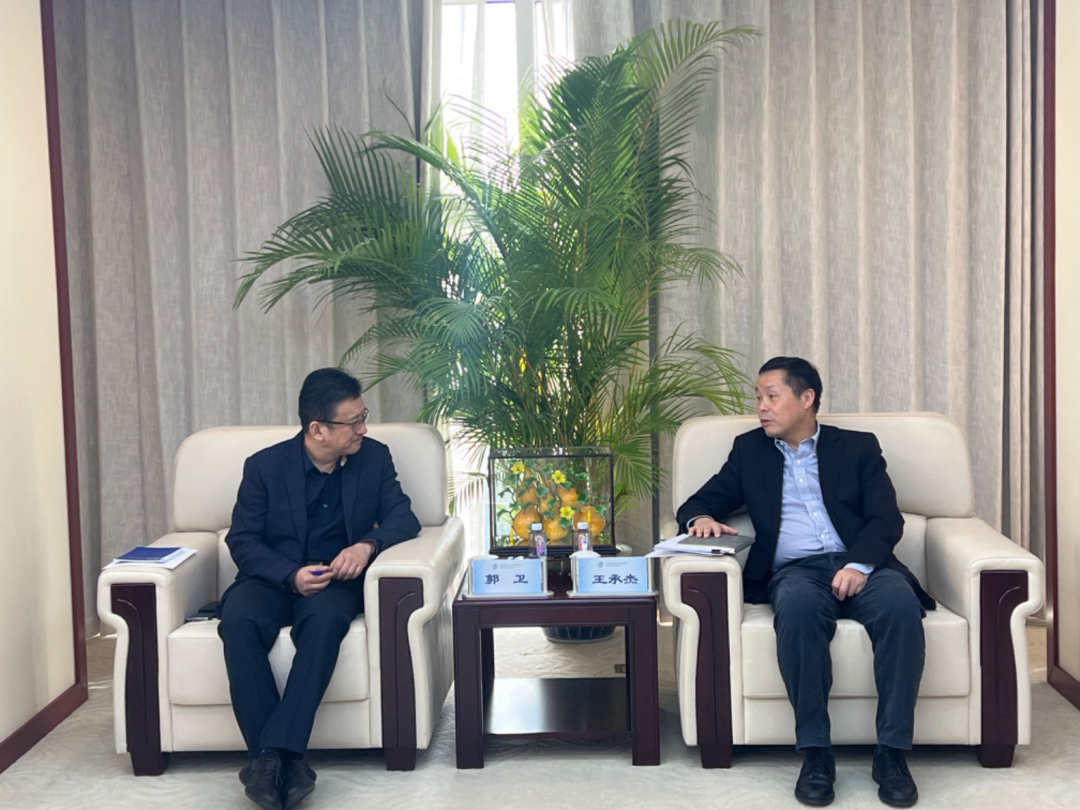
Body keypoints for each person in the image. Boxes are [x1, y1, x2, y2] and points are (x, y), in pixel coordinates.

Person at [677, 357, 933, 808]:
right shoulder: (749, 451)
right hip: (796, 571)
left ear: (807, 398)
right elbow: (699, 502)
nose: (761, 407)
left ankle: (891, 753)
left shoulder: (857, 448)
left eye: (772, 396)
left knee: (899, 607)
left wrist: (858, 565)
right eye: (758, 398)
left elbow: (885, 518)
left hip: (864, 566)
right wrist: (701, 519)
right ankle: (816, 754)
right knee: (795, 611)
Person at [218, 368, 420, 810]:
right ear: (317, 429)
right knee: (238, 621)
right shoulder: (264, 467)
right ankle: (282, 759)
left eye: (364, 417)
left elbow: (403, 517)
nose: (363, 429)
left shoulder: (374, 458)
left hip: (335, 583)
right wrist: (290, 575)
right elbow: (243, 540)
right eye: (353, 421)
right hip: (272, 579)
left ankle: (269, 760)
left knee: (326, 621)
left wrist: (367, 545)